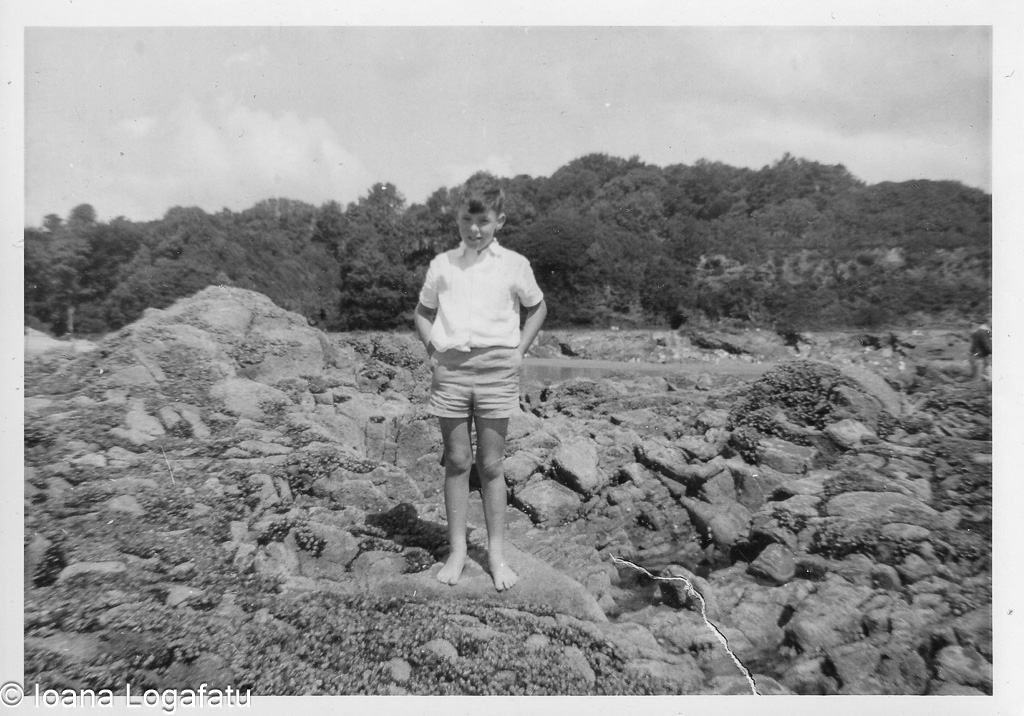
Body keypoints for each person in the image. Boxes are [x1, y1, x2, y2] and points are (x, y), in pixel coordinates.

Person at [413, 178, 547, 591]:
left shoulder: (514, 264)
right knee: (456, 461)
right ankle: (456, 552)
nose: (474, 229)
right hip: (450, 371)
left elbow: (538, 306)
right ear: (457, 219)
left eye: (483, 221)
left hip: (496, 370)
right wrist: (434, 350)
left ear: (498, 221)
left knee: (490, 464)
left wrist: (519, 350)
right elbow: (422, 312)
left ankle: (497, 555)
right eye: (467, 220)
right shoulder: (442, 264)